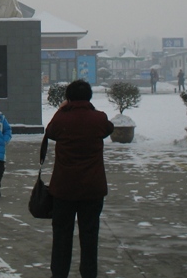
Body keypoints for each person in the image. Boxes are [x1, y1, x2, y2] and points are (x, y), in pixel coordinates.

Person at [46, 79, 114, 278]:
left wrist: (62, 110)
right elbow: (108, 129)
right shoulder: (99, 118)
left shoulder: (61, 120)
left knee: (61, 235)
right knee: (90, 235)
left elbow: (50, 132)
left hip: (63, 189)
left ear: (68, 98)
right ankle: (88, 273)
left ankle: (59, 273)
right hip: (92, 189)